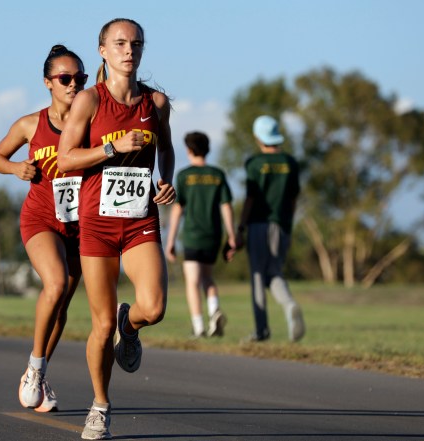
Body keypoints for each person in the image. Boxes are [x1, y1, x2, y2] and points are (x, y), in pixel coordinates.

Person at [57, 18, 175, 440]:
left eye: (136, 44)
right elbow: (65, 159)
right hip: (98, 223)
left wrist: (166, 181)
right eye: (120, 43)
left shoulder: (154, 103)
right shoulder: (89, 101)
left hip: (140, 217)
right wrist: (112, 147)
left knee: (155, 308)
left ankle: (133, 325)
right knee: (100, 325)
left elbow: (166, 150)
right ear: (102, 50)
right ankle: (100, 406)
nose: (130, 51)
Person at [0, 45, 88, 412]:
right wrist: (17, 168)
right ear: (48, 83)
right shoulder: (31, 124)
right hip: (42, 219)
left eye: (80, 78)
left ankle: (40, 373)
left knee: (62, 306)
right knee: (56, 283)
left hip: (81, 226)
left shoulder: (92, 123)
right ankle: (33, 368)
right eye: (65, 78)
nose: (73, 84)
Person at [236, 115, 305, 343]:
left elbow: (250, 199)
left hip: (258, 225)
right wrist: (288, 225)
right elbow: (294, 199)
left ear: (258, 138)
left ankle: (261, 330)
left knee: (258, 276)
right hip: (282, 225)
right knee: (274, 272)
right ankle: (289, 304)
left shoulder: (254, 163)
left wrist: (241, 227)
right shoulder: (291, 163)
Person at [164, 131, 236, 338]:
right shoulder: (217, 174)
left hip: (193, 236)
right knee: (208, 277)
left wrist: (170, 240)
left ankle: (198, 327)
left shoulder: (184, 176)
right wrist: (231, 236)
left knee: (192, 281)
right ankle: (214, 310)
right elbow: (226, 206)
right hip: (213, 235)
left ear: (188, 150)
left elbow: (178, 210)